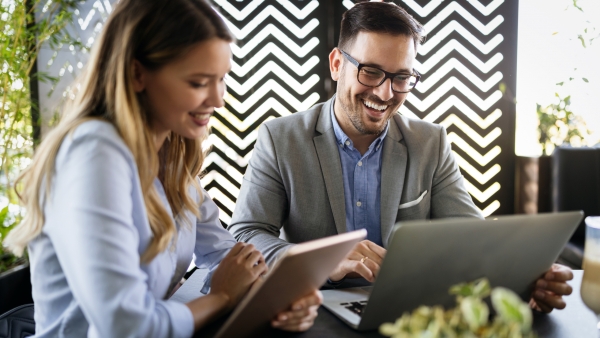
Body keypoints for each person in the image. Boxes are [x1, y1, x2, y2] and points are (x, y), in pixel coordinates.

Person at [228, 1, 573, 314]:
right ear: (337, 65)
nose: (385, 92)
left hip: (412, 312)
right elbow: (246, 232)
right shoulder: (280, 138)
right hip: (311, 311)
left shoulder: (430, 143)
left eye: (401, 77)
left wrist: (525, 278)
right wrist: (320, 263)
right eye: (371, 71)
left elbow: (471, 238)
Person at [3, 0, 321, 336]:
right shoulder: (94, 156)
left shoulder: (170, 155)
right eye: (199, 82)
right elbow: (126, 326)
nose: (218, 100)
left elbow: (225, 255)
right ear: (138, 73)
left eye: (221, 79)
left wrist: (274, 297)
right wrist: (224, 296)